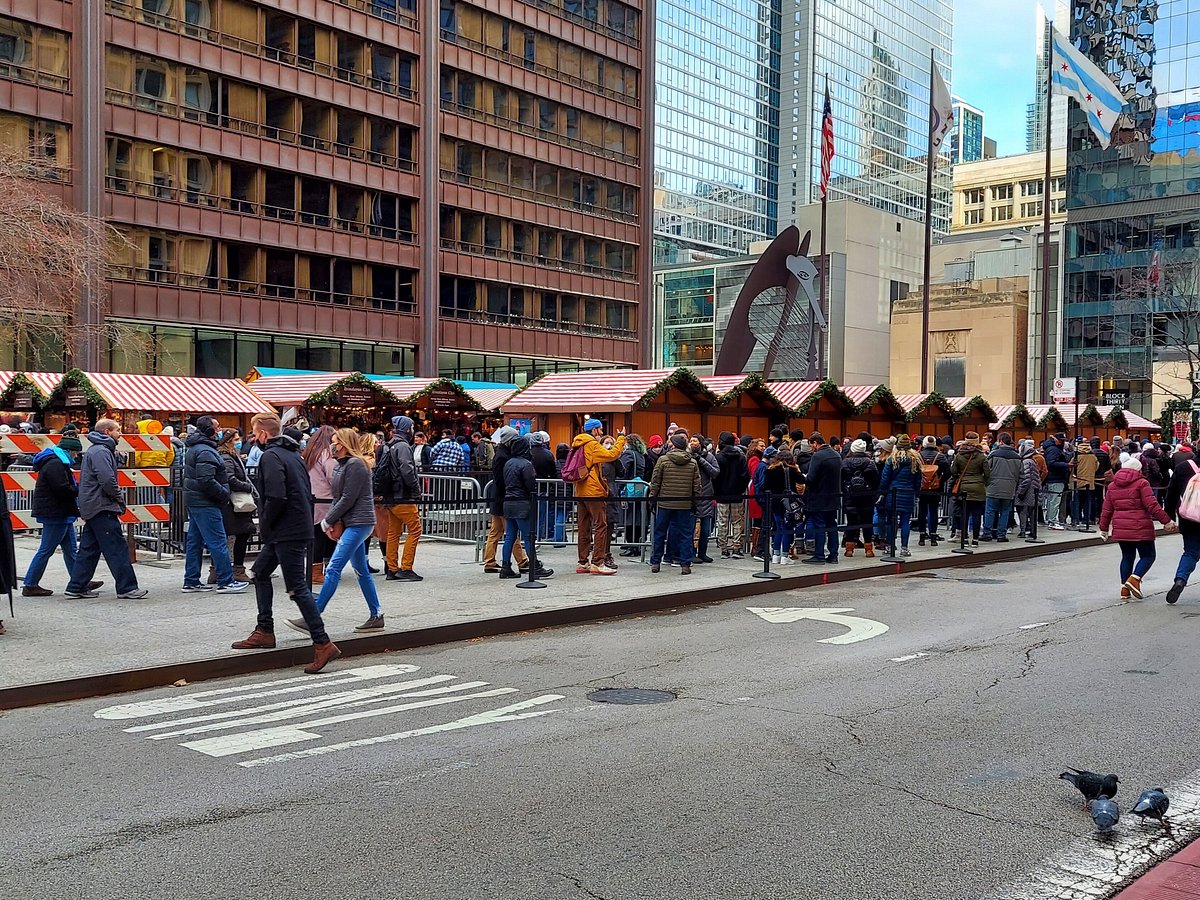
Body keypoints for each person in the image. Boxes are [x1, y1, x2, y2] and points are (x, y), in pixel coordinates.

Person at [233, 413, 340, 674]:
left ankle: (322, 642)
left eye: (254, 433)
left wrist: (266, 525)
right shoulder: (292, 454)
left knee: (297, 588)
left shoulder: (271, 456)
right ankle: (264, 630)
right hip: (294, 526)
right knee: (259, 573)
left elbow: (276, 496)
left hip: (286, 530)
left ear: (263, 434)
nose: (253, 438)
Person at [289, 428, 383, 633]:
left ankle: (313, 617)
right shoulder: (346, 465)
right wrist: (331, 519)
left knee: (333, 568)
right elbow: (338, 497)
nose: (332, 445)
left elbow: (347, 498)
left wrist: (327, 520)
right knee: (361, 571)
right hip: (355, 522)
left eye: (335, 442)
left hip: (359, 522)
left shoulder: (356, 464)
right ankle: (376, 615)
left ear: (344, 443)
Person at [64, 419, 147, 600]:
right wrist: (118, 497)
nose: (120, 434)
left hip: (93, 505)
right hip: (101, 505)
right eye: (117, 430)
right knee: (116, 548)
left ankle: (76, 585)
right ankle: (127, 587)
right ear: (107, 432)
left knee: (89, 548)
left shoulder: (95, 450)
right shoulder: (102, 451)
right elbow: (107, 480)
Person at [22, 433, 101, 597]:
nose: (76, 456)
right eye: (76, 453)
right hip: (56, 513)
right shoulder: (56, 464)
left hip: (59, 512)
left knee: (71, 549)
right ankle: (30, 584)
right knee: (46, 550)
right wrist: (81, 489)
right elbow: (62, 489)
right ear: (70, 450)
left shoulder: (55, 461)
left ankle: (79, 581)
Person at [181, 416, 246, 594]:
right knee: (217, 541)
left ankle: (191, 580)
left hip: (196, 501)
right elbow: (206, 479)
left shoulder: (197, 448)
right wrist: (224, 494)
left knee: (195, 541)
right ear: (209, 430)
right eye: (216, 428)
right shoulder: (206, 451)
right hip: (206, 502)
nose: (219, 431)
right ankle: (226, 580)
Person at [1099, 456, 1175, 600]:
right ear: (1138, 469)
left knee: (1127, 557)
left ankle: (1124, 589)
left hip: (1120, 526)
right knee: (1148, 556)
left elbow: (1106, 509)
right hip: (1140, 526)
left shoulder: (1112, 485)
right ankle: (1134, 579)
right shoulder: (1142, 483)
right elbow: (1152, 505)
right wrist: (1167, 521)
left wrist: (1103, 528)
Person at [571, 418, 625, 575]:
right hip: (594, 491)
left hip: (580, 489)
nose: (601, 432)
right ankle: (598, 562)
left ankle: (582, 561)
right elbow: (612, 454)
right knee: (601, 525)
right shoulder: (591, 444)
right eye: (600, 429)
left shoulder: (577, 443)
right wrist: (621, 438)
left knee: (583, 527)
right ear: (594, 430)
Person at [377, 415, 423, 582]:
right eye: (411, 427)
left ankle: (392, 568)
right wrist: (417, 490)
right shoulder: (403, 446)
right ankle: (406, 567)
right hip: (402, 495)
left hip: (390, 495)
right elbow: (408, 471)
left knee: (393, 532)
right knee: (415, 529)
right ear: (407, 429)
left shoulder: (389, 444)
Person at [499, 435, 552, 579]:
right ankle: (535, 566)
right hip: (522, 502)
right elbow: (530, 484)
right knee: (528, 536)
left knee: (510, 536)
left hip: (508, 501)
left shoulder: (508, 462)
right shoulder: (526, 464)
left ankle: (505, 566)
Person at [647, 433, 701, 575]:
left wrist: (652, 499)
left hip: (665, 502)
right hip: (684, 503)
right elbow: (697, 485)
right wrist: (695, 502)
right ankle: (685, 564)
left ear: (674, 445)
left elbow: (656, 481)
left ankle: (656, 562)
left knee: (659, 533)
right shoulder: (692, 462)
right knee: (685, 534)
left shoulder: (663, 460)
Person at [483, 426, 529, 574]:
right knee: (511, 531)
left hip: (499, 497)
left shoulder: (501, 453)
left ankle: (489, 561)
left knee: (495, 531)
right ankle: (522, 561)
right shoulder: (503, 456)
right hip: (503, 497)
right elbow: (501, 478)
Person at [214, 428, 256, 584]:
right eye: (236, 439)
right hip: (233, 502)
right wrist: (247, 487)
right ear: (229, 441)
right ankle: (236, 569)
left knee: (229, 535)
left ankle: (218, 570)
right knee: (241, 534)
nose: (239, 442)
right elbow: (230, 478)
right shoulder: (227, 457)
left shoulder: (230, 456)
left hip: (231, 502)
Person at [877, 434, 923, 556]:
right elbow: (918, 479)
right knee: (905, 522)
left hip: (893, 493)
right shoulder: (915, 460)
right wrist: (916, 492)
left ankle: (890, 546)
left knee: (891, 521)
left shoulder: (892, 459)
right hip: (908, 493)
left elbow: (885, 478)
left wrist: (882, 492)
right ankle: (904, 548)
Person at [302, 425, 337, 584]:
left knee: (316, 534)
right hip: (326, 498)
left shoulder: (309, 453)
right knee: (325, 535)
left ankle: (315, 568)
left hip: (311, 497)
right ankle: (319, 571)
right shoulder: (327, 452)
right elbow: (332, 475)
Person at [802, 432, 842, 564]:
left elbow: (812, 478)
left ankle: (819, 555)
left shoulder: (818, 456)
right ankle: (833, 555)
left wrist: (804, 477)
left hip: (819, 496)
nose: (811, 448)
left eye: (811, 445)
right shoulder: (836, 455)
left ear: (815, 443)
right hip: (834, 496)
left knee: (820, 525)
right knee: (832, 525)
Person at [763, 448, 804, 566]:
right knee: (787, 528)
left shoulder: (770, 470)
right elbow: (803, 480)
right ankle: (785, 555)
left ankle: (776, 555)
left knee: (778, 528)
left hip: (775, 502)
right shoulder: (791, 470)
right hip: (788, 503)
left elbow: (765, 487)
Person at [713, 431, 749, 559]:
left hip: (722, 495)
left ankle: (723, 549)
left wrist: (716, 491)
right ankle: (736, 547)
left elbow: (715, 476)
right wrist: (740, 489)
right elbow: (745, 476)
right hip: (737, 494)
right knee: (737, 521)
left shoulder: (718, 457)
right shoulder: (741, 457)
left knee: (722, 522)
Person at [841, 438, 879, 558]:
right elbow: (875, 481)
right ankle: (868, 550)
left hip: (850, 495)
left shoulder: (845, 462)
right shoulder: (870, 463)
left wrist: (845, 490)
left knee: (851, 523)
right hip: (866, 497)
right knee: (867, 523)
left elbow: (840, 479)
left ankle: (849, 549)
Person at [982, 433, 1021, 543]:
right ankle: (1001, 535)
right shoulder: (1017, 456)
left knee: (990, 511)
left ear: (1000, 441)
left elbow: (987, 470)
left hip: (993, 487)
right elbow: (1021, 473)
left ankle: (987, 533)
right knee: (1005, 511)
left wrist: (987, 482)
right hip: (1009, 489)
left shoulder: (994, 454)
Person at [952, 432, 990, 545]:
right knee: (976, 514)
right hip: (978, 487)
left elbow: (953, 471)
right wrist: (983, 482)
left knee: (964, 513)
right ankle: (975, 539)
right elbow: (987, 473)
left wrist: (959, 478)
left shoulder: (959, 455)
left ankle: (964, 538)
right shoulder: (981, 456)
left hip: (963, 487)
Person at [689, 434, 719, 564]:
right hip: (692, 496)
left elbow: (715, 472)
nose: (692, 443)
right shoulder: (687, 456)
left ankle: (703, 552)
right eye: (691, 441)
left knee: (706, 528)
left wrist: (700, 459)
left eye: (695, 441)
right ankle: (691, 553)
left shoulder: (709, 457)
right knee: (691, 528)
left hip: (706, 495)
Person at [1015, 439, 1042, 538]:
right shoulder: (1032, 461)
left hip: (1027, 492)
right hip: (1034, 490)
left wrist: (1021, 492)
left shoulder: (1026, 462)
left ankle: (1023, 531)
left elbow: (1026, 479)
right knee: (1032, 513)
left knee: (1023, 512)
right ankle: (1033, 531)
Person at [1071, 438, 1100, 531]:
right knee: (1088, 501)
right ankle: (1086, 519)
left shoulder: (1076, 455)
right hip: (1089, 481)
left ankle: (1076, 519)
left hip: (1077, 481)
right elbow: (1097, 466)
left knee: (1076, 501)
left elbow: (1071, 467)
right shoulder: (1093, 456)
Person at [1043, 433, 1070, 530]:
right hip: (1056, 477)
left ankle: (1050, 519)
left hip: (1054, 477)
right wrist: (1066, 465)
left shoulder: (1051, 448)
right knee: (1054, 501)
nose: (1063, 442)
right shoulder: (1054, 450)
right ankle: (1052, 521)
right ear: (1057, 440)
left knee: (1052, 500)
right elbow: (1052, 463)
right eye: (1062, 440)